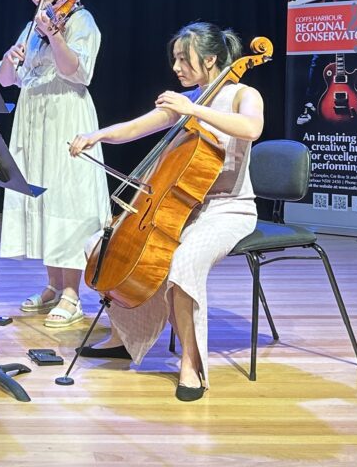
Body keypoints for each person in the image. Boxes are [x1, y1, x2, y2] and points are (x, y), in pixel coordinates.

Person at [68, 22, 264, 402]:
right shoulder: (189, 100)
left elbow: (251, 128)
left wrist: (193, 109)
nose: (175, 66)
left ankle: (190, 364)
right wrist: (99, 135)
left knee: (184, 262)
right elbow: (138, 127)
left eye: (182, 59)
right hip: (182, 209)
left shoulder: (243, 94)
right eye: (174, 58)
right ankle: (124, 337)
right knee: (102, 245)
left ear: (209, 59)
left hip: (229, 209)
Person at [0, 0, 110, 328]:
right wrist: (10, 60)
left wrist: (56, 35)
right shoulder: (31, 27)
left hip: (65, 114)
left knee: (66, 198)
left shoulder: (80, 20)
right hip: (32, 119)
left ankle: (73, 294)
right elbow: (5, 80)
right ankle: (53, 285)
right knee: (41, 195)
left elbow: (79, 73)